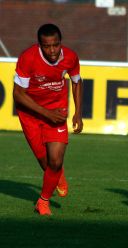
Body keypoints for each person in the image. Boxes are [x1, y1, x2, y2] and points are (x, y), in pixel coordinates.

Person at [13, 23, 83, 215]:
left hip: (57, 111)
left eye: (56, 45)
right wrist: (45, 113)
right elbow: (18, 94)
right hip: (30, 114)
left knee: (55, 159)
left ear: (60, 42)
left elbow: (77, 81)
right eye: (46, 46)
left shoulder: (70, 57)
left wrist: (78, 112)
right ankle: (57, 174)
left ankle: (42, 202)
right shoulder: (28, 58)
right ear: (39, 45)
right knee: (46, 164)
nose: (52, 50)